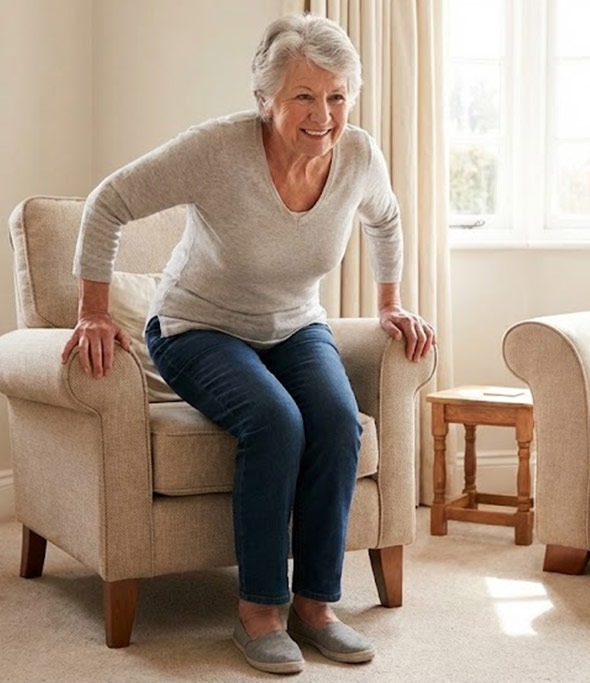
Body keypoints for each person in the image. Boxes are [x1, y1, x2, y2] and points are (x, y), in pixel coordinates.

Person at [62, 13, 435, 675]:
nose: (323, 114)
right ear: (265, 100)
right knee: (274, 421)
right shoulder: (216, 151)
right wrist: (92, 309)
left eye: (337, 96)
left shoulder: (358, 157)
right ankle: (259, 610)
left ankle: (316, 606)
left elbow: (388, 217)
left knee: (338, 423)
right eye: (304, 96)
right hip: (196, 327)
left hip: (293, 325)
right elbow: (109, 200)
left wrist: (389, 302)